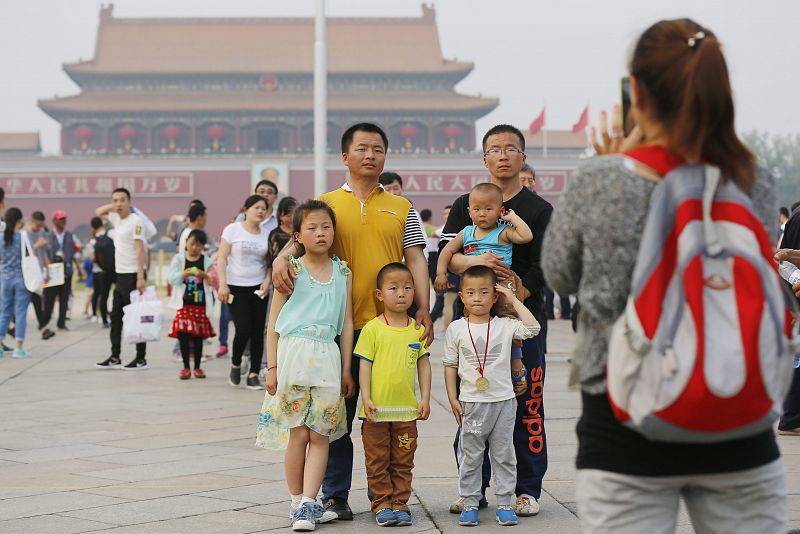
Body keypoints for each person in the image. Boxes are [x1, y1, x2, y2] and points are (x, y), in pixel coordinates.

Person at [543, 19, 785, 533]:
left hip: (624, 413)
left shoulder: (602, 177)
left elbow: (559, 276)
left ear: (636, 93)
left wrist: (610, 169)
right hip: (737, 402)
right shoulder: (753, 178)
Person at [272, 122, 431, 520]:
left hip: (388, 329)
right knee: (336, 414)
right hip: (336, 332)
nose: (370, 155)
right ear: (345, 157)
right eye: (362, 148)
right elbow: (304, 234)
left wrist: (424, 307)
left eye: (378, 149)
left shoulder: (402, 207)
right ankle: (335, 493)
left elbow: (416, 260)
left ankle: (389, 495)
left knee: (384, 416)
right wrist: (280, 255)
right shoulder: (327, 203)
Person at [440, 124, 552, 516]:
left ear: (523, 157)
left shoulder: (537, 210)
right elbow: (447, 253)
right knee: (472, 405)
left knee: (527, 401)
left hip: (522, 321)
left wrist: (520, 291)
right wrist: (474, 262)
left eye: (511, 149)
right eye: (494, 149)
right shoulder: (465, 204)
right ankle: (473, 489)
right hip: (472, 320)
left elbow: (547, 263)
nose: (503, 155)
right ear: (484, 158)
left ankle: (527, 488)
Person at [256, 199, 354, 531]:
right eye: (312, 228)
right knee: (298, 434)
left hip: (328, 355)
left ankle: (311, 502)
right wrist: (272, 367)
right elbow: (273, 321)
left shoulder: (343, 272)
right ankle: (297, 500)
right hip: (293, 355)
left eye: (326, 226)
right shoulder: (292, 270)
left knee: (321, 434)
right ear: (298, 235)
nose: (320, 233)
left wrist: (345, 370)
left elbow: (348, 322)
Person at [443, 265, 539, 527]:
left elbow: (532, 329)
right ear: (461, 296)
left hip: (504, 402)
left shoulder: (506, 326)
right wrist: (453, 397)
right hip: (472, 403)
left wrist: (514, 300)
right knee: (470, 455)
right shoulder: (456, 329)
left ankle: (505, 502)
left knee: (504, 454)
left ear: (494, 296)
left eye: (484, 292)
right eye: (471, 292)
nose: (477, 298)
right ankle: (471, 501)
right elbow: (450, 364)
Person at [357, 262, 432, 527]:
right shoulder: (372, 329)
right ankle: (381, 504)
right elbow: (364, 365)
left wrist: (424, 398)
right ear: (380, 295)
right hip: (376, 412)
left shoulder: (416, 329)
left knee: (403, 460)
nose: (401, 293)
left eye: (407, 288)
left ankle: (400, 502)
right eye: (393, 288)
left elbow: (424, 364)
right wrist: (366, 398)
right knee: (377, 461)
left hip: (406, 412)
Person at [217, 194, 271, 390]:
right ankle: (236, 362)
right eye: (256, 207)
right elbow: (222, 258)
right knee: (243, 329)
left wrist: (267, 281)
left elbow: (269, 264)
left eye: (263, 208)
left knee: (258, 332)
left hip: (258, 287)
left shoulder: (267, 234)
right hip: (235, 286)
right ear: (246, 209)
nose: (260, 211)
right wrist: (223, 284)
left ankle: (253, 374)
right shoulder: (233, 230)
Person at [95, 188, 149, 370]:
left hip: (133, 275)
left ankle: (141, 358)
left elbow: (140, 249)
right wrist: (115, 206)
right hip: (120, 275)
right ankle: (115, 356)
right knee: (116, 316)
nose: (118, 203)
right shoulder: (116, 219)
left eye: (122, 200)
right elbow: (98, 212)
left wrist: (140, 277)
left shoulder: (136, 221)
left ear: (129, 202)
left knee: (136, 318)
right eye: (115, 200)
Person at [168, 229, 215, 380]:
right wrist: (184, 274)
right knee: (183, 335)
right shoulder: (179, 259)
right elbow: (172, 279)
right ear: (186, 242)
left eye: (199, 245)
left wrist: (205, 275)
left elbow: (213, 281)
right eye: (192, 244)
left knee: (198, 336)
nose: (195, 247)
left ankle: (198, 368)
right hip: (184, 304)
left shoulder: (206, 260)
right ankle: (186, 367)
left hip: (200, 305)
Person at [0, 208, 34, 358]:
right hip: (21, 277)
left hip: (5, 278)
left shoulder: (1, 237)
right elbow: (30, 255)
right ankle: (18, 348)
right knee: (20, 312)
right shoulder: (23, 236)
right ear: (19, 220)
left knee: (4, 312)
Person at [43, 210, 83, 331]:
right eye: (61, 219)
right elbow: (44, 252)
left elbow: (75, 253)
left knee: (64, 298)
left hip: (67, 270)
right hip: (53, 270)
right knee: (49, 298)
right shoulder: (48, 235)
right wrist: (47, 266)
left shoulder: (70, 235)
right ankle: (45, 321)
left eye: (64, 219)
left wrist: (79, 269)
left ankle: (61, 322)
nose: (63, 221)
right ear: (54, 221)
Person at [25, 212, 54, 340]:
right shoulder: (25, 234)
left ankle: (43, 327)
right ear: (32, 221)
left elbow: (45, 254)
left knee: (36, 300)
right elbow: (25, 252)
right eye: (37, 225)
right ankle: (43, 328)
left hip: (39, 271)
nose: (39, 228)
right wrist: (37, 245)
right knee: (33, 300)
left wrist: (49, 268)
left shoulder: (41, 233)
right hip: (29, 272)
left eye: (41, 225)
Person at [86, 217, 112, 327]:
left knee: (99, 295)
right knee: (110, 295)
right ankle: (109, 316)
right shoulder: (110, 235)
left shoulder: (93, 241)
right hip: (111, 270)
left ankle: (100, 317)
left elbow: (92, 258)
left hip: (98, 271)